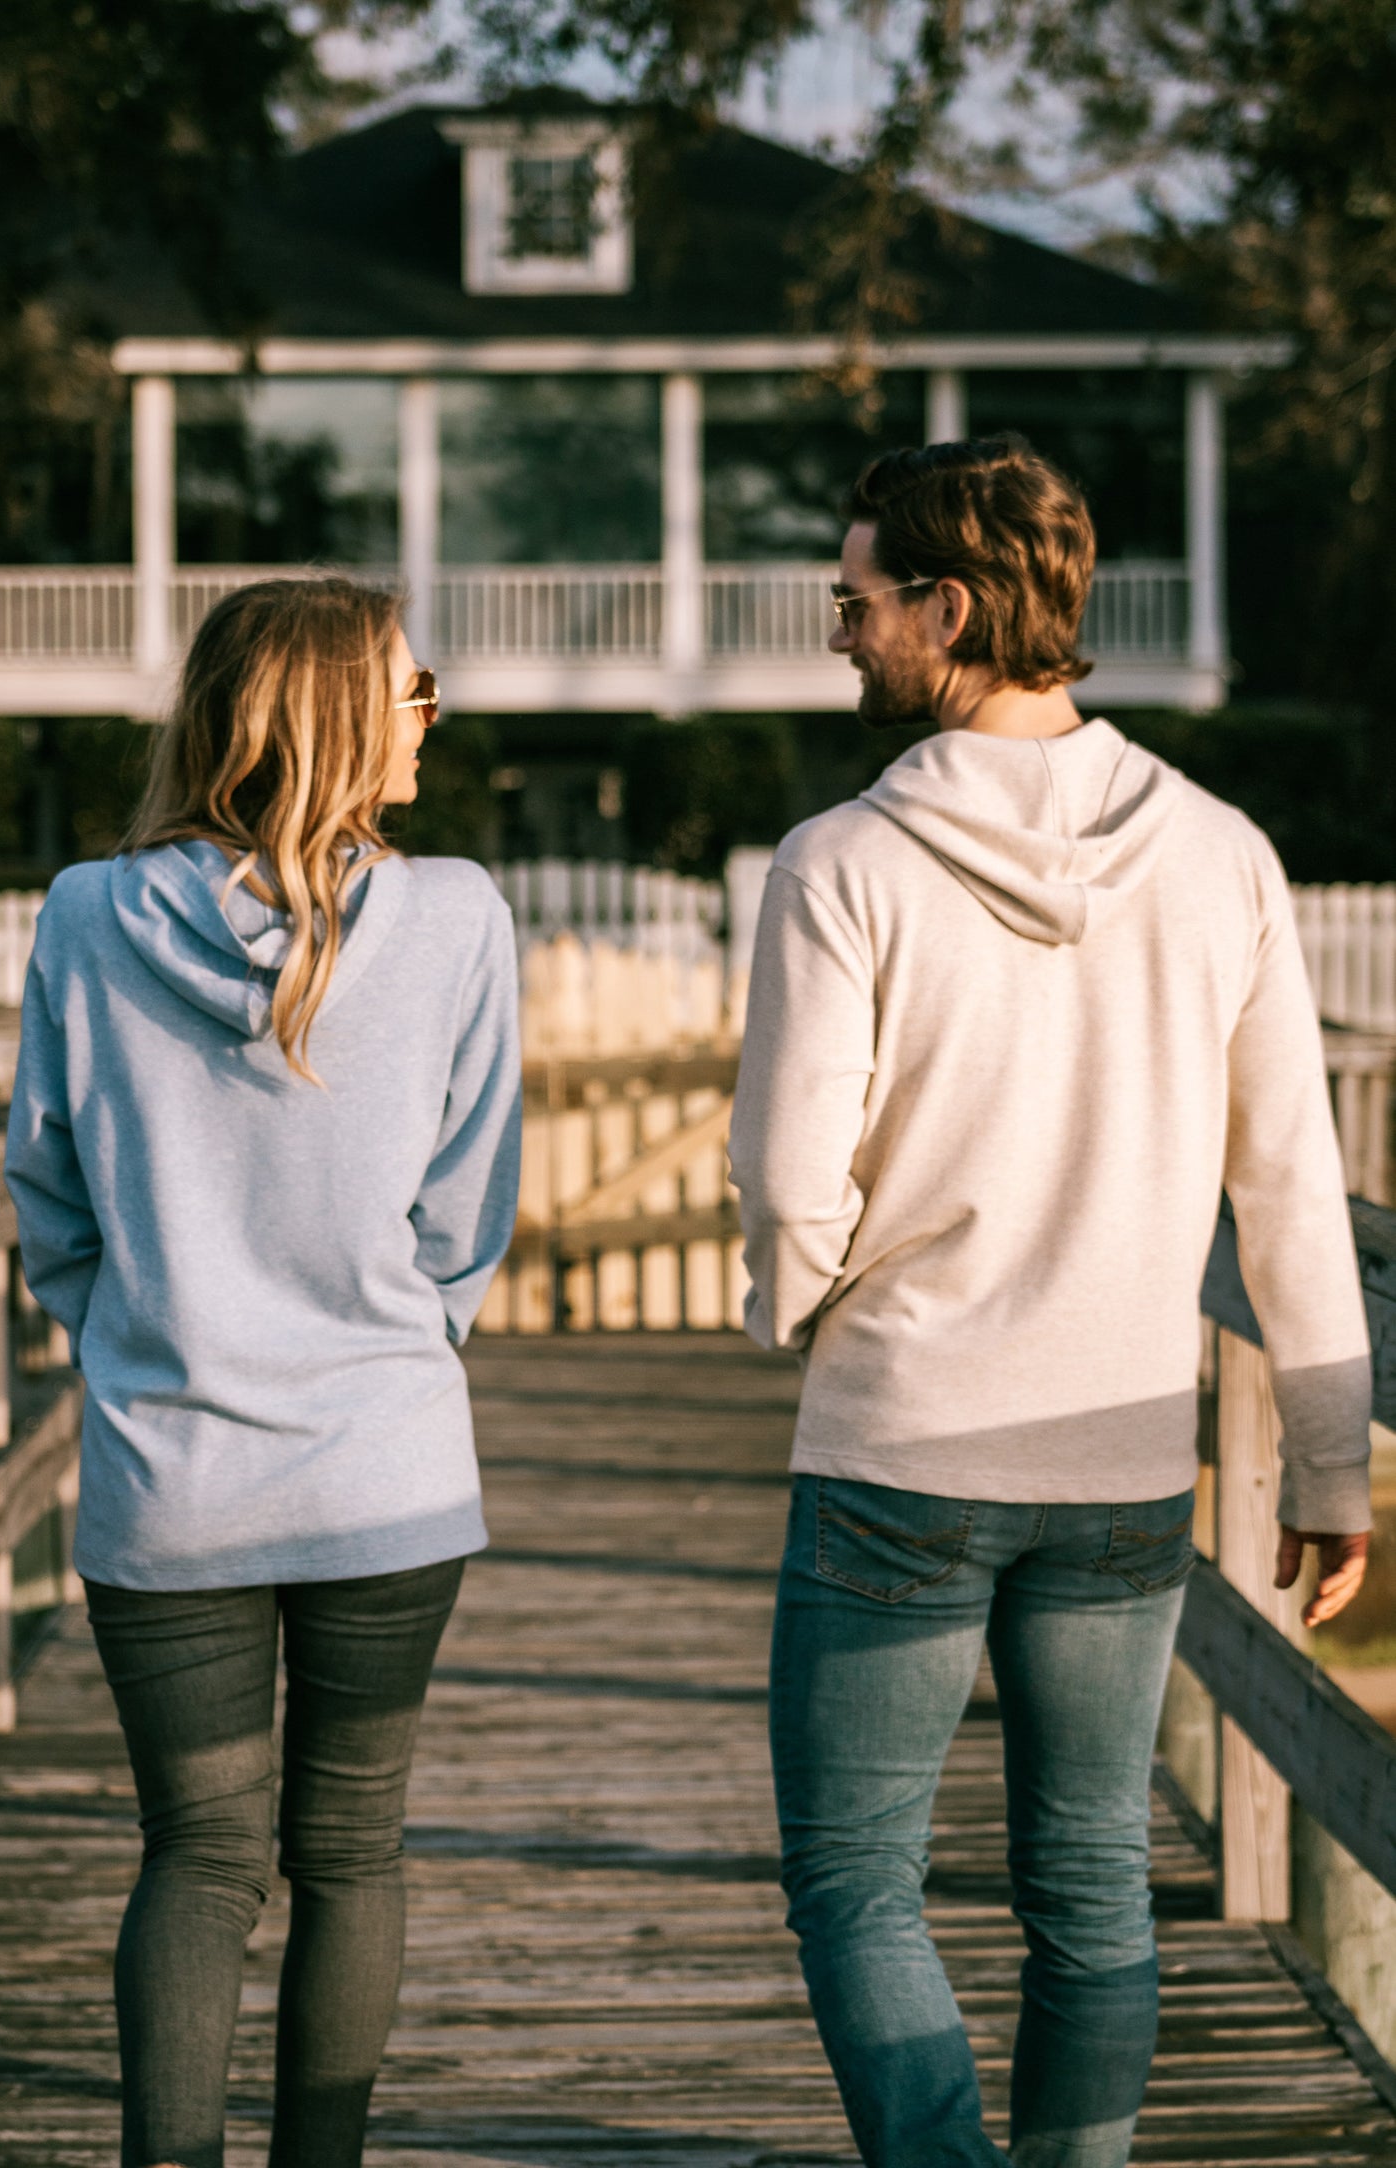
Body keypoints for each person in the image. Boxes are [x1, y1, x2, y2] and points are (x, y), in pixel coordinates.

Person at [727, 435, 1372, 2168]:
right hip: (1114, 1457)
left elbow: (792, 1192)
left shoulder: (841, 863)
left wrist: (805, 1312)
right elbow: (1288, 1183)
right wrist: (1326, 1461)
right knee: (1090, 1883)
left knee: (854, 1882)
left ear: (947, 607)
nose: (838, 634)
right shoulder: (1221, 851)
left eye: (853, 602)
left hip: (903, 1446)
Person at [5, 576, 521, 2168]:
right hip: (387, 1475)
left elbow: (48, 1193)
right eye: (412, 686)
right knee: (350, 1852)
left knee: (198, 1857)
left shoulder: (89, 914)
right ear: (343, 717)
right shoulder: (455, 920)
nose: (433, 711)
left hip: (172, 1484)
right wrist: (388, 1357)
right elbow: (466, 1211)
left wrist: (148, 1344)